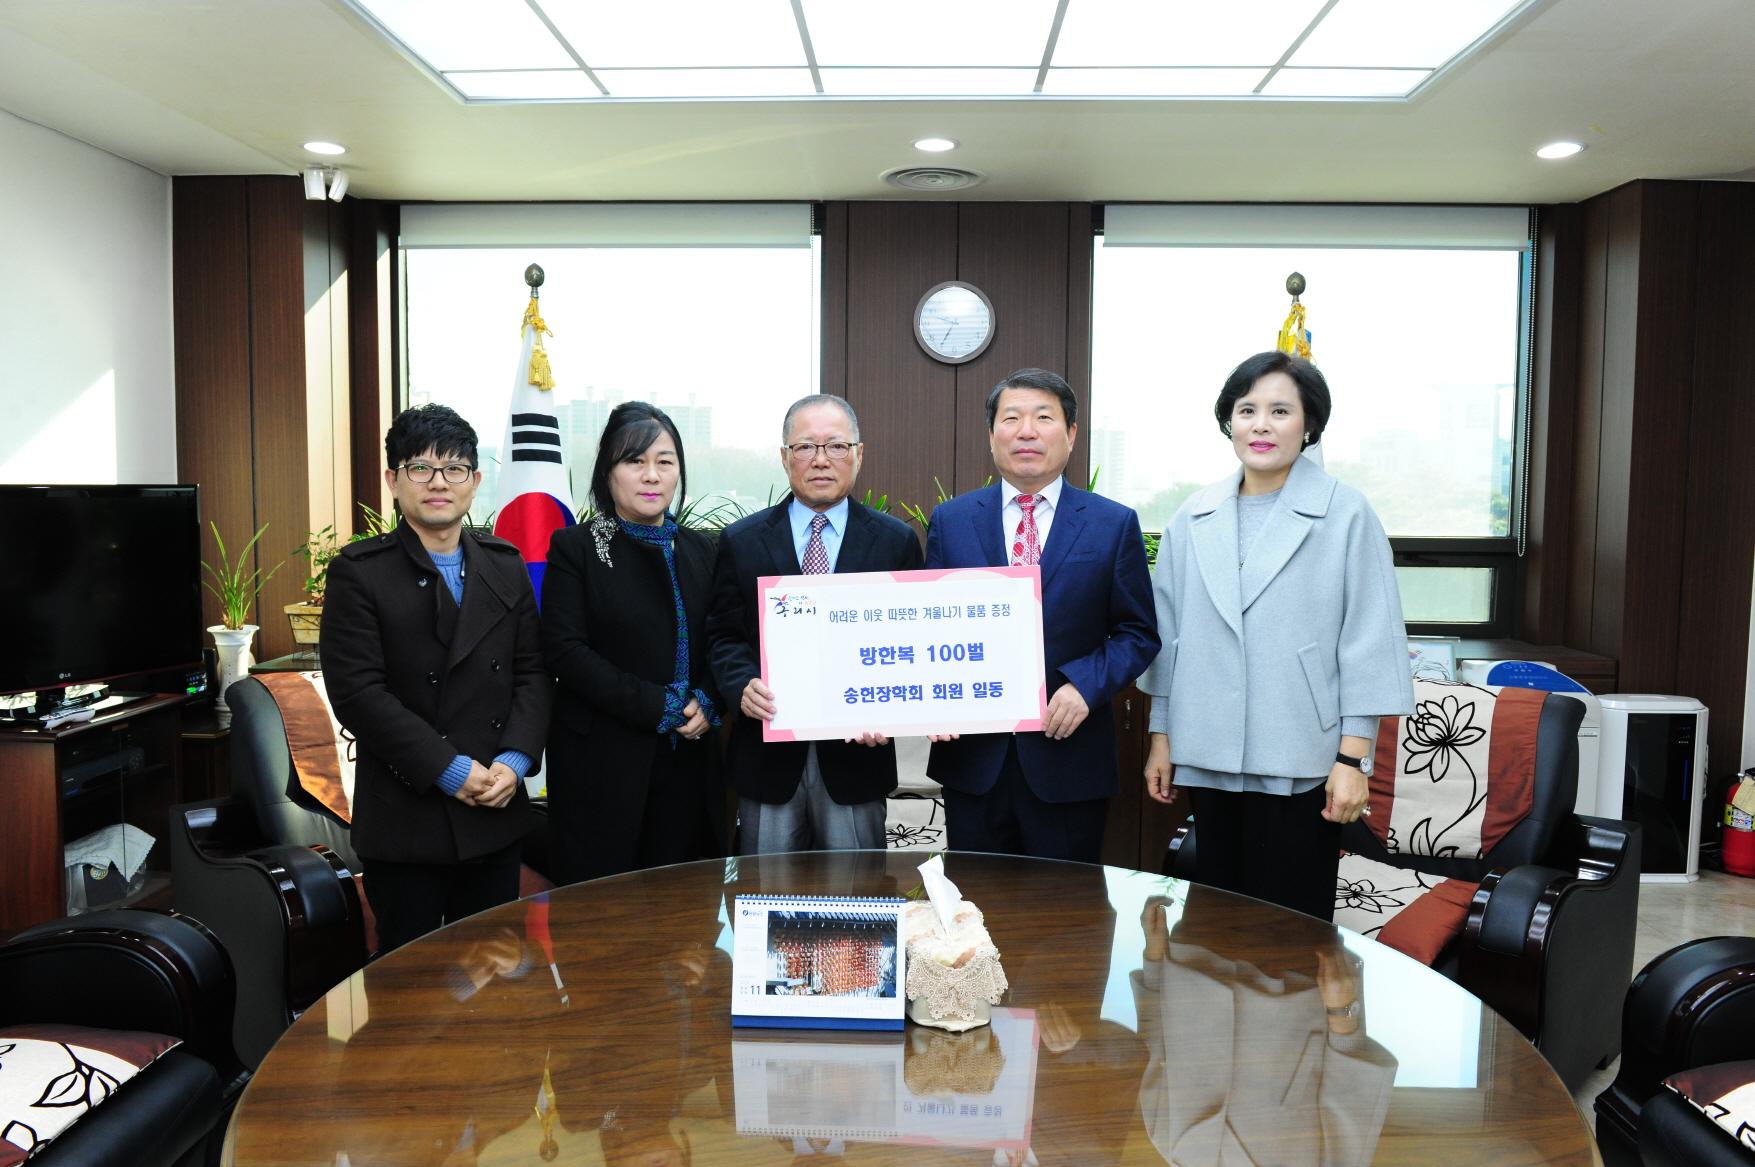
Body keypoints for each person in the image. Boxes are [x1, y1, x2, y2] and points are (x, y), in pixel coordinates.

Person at [1140, 350, 1413, 922]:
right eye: (1247, 410)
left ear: (1309, 423)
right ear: (1229, 422)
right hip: (1207, 750)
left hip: (1303, 755)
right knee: (1215, 929)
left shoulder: (1346, 513)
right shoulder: (1193, 515)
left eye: (1280, 411)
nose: (1260, 425)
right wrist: (1161, 737)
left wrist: (1353, 759)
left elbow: (1368, 640)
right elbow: (1170, 636)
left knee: (1291, 935)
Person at [321, 404, 552, 955]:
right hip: (406, 819)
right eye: (420, 468)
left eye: (454, 469)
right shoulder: (360, 572)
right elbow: (358, 693)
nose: (438, 482)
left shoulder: (505, 563)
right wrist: (448, 769)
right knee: (411, 976)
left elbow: (533, 672)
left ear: (475, 481)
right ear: (393, 480)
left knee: (493, 966)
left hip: (494, 806)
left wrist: (514, 762)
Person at [923, 368, 1159, 863]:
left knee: (1066, 904)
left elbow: (1137, 633)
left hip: (1069, 758)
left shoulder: (1112, 523)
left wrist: (1084, 686)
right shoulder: (952, 520)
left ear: (1070, 434)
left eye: (1043, 418)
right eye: (1011, 418)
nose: (1026, 431)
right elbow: (930, 625)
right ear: (991, 435)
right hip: (973, 760)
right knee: (976, 901)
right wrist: (933, 696)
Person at [706, 393, 923, 852]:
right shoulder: (741, 541)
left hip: (856, 756)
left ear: (859, 454)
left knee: (855, 890)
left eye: (836, 446)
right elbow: (724, 635)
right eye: (805, 447)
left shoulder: (896, 543)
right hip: (767, 752)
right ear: (785, 457)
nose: (821, 460)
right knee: (767, 887)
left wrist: (888, 709)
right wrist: (742, 684)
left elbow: (909, 642)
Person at [541, 402, 723, 884]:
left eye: (664, 461)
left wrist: (709, 699)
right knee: (602, 907)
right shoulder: (577, 547)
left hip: (690, 760)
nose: (651, 475)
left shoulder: (702, 549)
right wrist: (659, 705)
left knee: (683, 906)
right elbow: (566, 651)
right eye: (634, 461)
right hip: (602, 764)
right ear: (608, 471)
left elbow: (724, 638)